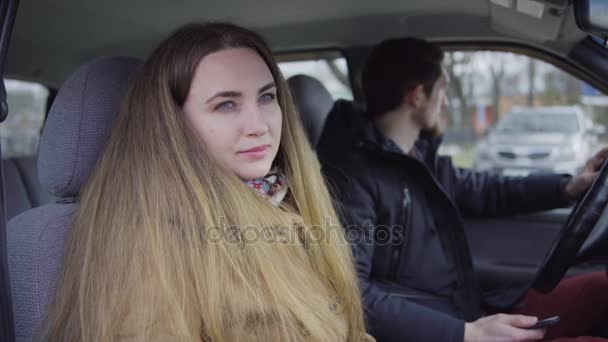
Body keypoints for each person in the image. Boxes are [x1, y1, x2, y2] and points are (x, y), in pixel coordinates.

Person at [42, 22, 373, 341]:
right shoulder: (151, 246)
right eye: (226, 104)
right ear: (172, 125)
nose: (258, 124)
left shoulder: (285, 200)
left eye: (266, 97)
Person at [317, 37, 608, 342]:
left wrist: (568, 187)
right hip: (446, 329)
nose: (445, 101)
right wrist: (465, 333)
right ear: (417, 96)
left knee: (600, 288)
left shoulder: (421, 162)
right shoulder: (353, 178)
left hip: (467, 311)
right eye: (442, 90)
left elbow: (490, 191)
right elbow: (351, 293)